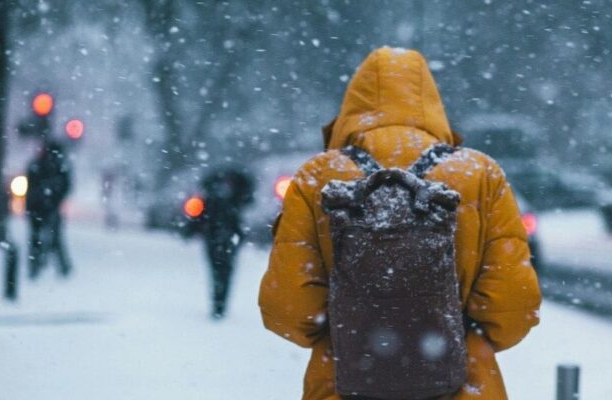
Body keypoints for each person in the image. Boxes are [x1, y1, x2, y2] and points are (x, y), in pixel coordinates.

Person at [259, 47, 542, 399]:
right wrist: (449, 336)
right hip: (462, 386)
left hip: (341, 384)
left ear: (352, 105)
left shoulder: (318, 177)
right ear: (431, 102)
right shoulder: (479, 174)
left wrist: (353, 332)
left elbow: (287, 311)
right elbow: (514, 307)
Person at [185, 168, 253, 320]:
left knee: (218, 271)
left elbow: (198, 216)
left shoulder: (213, 196)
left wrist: (191, 230)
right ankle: (220, 303)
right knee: (224, 271)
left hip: (216, 237)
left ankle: (218, 303)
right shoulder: (235, 197)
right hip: (226, 238)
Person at [26, 140, 72, 279]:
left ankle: (36, 267)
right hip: (45, 207)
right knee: (53, 238)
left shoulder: (38, 165)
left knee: (40, 238)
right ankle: (61, 267)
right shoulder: (58, 166)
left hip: (40, 207)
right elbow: (65, 186)